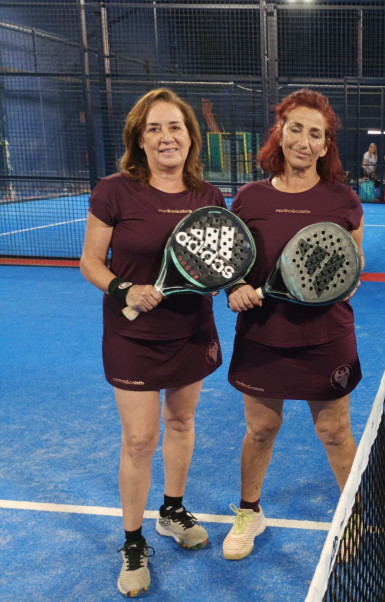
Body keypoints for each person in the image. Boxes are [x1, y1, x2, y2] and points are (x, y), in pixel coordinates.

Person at [79, 88, 225, 597]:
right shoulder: (113, 191)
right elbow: (90, 262)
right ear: (139, 140)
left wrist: (225, 283)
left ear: (190, 136)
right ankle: (133, 540)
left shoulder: (208, 197)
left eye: (175, 127)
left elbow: (214, 264)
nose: (166, 137)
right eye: (154, 129)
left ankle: (172, 510)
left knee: (181, 422)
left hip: (190, 331)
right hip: (133, 334)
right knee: (140, 439)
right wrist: (125, 288)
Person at [222, 89, 365, 561]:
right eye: (296, 129)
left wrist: (347, 280)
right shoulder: (250, 198)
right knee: (261, 429)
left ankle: (353, 517)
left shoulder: (343, 199)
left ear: (326, 146)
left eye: (315, 134)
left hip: (326, 338)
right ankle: (249, 512)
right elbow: (234, 262)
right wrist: (235, 288)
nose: (304, 141)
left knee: (335, 433)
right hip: (263, 337)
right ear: (280, 134)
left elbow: (352, 263)